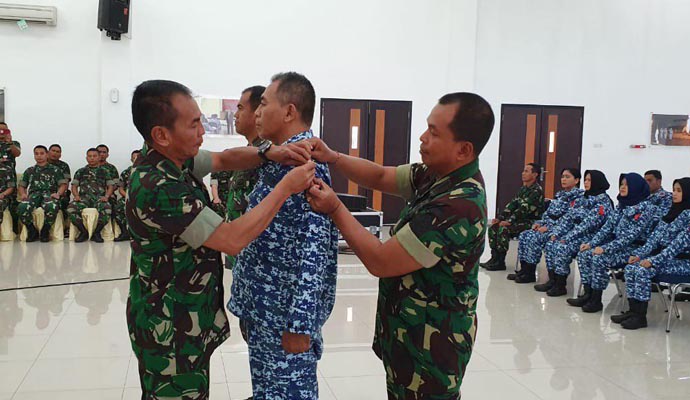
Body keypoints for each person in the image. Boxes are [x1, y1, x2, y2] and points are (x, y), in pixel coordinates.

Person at [126, 79, 315, 400]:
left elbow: (225, 159)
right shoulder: (159, 186)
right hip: (170, 331)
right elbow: (231, 239)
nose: (202, 131)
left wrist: (270, 152)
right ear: (161, 134)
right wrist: (285, 187)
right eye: (193, 124)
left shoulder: (172, 159)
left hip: (183, 319)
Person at [307, 92, 494, 399]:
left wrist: (335, 208)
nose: (422, 138)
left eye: (434, 132)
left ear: (464, 150)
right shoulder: (436, 175)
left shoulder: (459, 204)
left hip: (432, 348)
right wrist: (334, 157)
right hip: (409, 332)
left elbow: (381, 261)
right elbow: (381, 175)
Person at [228, 73, 338, 400]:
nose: (257, 113)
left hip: (283, 320)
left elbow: (315, 252)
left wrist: (300, 324)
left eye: (263, 104)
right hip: (265, 311)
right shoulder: (282, 158)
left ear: (289, 112)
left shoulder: (306, 166)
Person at [573, 173, 657, 313]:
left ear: (636, 187)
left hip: (635, 250)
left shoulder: (647, 209)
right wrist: (592, 244)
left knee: (599, 258)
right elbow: (607, 227)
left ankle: (596, 300)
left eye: (627, 185)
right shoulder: (622, 205)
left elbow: (630, 237)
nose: (622, 187)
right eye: (621, 184)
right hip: (617, 247)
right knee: (584, 254)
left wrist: (604, 248)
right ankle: (588, 293)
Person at [616, 178, 690, 329]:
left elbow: (675, 247)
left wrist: (652, 261)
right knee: (631, 268)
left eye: (679, 191)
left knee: (642, 270)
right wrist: (638, 255)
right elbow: (653, 240)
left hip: (684, 263)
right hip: (666, 260)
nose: (674, 194)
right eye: (674, 190)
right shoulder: (671, 214)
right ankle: (633, 311)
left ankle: (640, 317)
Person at [545, 171, 614, 301]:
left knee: (563, 247)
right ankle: (555, 280)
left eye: (589, 180)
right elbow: (568, 218)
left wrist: (567, 238)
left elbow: (588, 225)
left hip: (593, 238)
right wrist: (556, 233)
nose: (586, 182)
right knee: (551, 243)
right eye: (585, 180)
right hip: (578, 235)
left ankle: (571, 288)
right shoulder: (583, 198)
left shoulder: (602, 202)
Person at [517, 168, 585, 291]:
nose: (563, 179)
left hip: (563, 231)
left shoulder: (579, 198)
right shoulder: (560, 195)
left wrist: (549, 227)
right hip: (550, 227)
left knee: (537, 238)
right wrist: (539, 223)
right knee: (525, 235)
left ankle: (555, 280)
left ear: (576, 180)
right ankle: (526, 270)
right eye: (562, 176)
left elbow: (568, 219)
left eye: (567, 177)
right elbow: (548, 213)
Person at [225, 85, 267, 269]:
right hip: (239, 247)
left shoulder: (267, 155)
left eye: (240, 108)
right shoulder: (249, 152)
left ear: (257, 112)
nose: (235, 115)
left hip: (254, 255)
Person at [481, 163, 544, 273]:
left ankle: (500, 262)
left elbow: (524, 210)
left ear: (535, 175)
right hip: (519, 220)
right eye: (523, 170)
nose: (523, 173)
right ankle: (494, 258)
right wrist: (500, 218)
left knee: (503, 229)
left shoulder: (536, 191)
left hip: (530, 222)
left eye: (526, 171)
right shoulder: (523, 189)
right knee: (493, 227)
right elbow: (512, 205)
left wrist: (509, 221)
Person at [17, 145, 68, 242]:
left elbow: (63, 185)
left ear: (47, 155)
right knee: (22, 207)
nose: (39, 156)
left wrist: (58, 194)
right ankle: (32, 230)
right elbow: (22, 185)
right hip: (34, 195)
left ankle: (45, 230)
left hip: (49, 194)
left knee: (51, 206)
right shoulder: (30, 170)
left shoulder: (55, 170)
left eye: (41, 153)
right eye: (36, 154)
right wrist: (23, 194)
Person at [68, 148, 115, 243]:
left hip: (99, 198)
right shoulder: (81, 171)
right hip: (83, 198)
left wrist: (106, 196)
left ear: (99, 157)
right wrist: (76, 196)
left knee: (107, 209)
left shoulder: (105, 171)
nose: (92, 158)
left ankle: (96, 232)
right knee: (71, 209)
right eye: (90, 156)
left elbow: (110, 186)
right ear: (86, 158)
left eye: (94, 156)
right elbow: (74, 186)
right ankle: (83, 232)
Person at [113, 150, 140, 242]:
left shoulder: (149, 171)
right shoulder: (126, 172)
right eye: (134, 157)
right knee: (118, 207)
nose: (136, 159)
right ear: (131, 159)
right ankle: (124, 232)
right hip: (128, 197)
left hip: (144, 198)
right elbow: (121, 189)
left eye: (138, 157)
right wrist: (129, 197)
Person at [0, 122, 21, 233]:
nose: (2, 133)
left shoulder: (14, 143)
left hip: (9, 179)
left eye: (5, 130)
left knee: (13, 204)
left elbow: (17, 153)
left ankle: (15, 228)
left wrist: (10, 143)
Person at [47, 144, 72, 236]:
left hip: (60, 192)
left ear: (60, 154)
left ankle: (65, 226)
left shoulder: (64, 166)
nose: (55, 153)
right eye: (53, 151)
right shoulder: (42, 164)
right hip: (44, 192)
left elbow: (66, 182)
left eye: (57, 152)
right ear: (48, 152)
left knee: (64, 201)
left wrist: (61, 192)